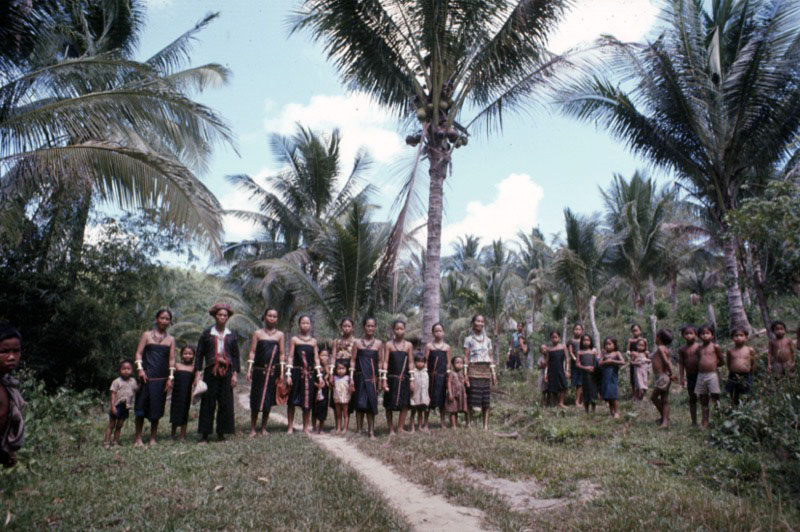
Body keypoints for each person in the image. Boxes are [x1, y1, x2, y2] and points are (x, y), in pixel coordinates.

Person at [194, 303, 240, 443]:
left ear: (228, 317)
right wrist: (197, 373)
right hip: (210, 370)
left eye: (225, 315)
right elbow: (199, 354)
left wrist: (235, 374)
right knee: (208, 401)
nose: (222, 317)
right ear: (215, 316)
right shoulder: (207, 333)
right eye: (220, 315)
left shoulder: (231, 336)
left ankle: (221, 433)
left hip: (226, 371)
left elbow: (236, 356)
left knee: (225, 401)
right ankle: (205, 434)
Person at [133, 309, 175, 447]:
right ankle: (138, 438)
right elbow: (138, 354)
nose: (164, 321)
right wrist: (140, 370)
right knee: (140, 408)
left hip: (161, 379)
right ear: (157, 319)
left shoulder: (171, 339)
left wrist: (170, 378)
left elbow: (172, 360)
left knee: (156, 409)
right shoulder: (146, 335)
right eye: (162, 318)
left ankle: (152, 438)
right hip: (145, 377)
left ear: (170, 322)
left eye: (167, 319)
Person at [245, 308, 284, 437]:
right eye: (269, 315)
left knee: (268, 399)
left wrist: (282, 373)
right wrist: (249, 370)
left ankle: (263, 428)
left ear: (277, 319)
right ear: (265, 317)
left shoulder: (280, 335)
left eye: (274, 316)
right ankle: (252, 428)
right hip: (258, 371)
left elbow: (282, 354)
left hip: (272, 372)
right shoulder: (257, 333)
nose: (272, 318)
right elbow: (252, 352)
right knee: (256, 398)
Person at [463, 314, 497, 430]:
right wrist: (465, 374)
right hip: (473, 370)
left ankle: (485, 426)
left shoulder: (488, 340)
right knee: (471, 398)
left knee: (485, 399)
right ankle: (469, 423)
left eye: (482, 321)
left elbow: (491, 357)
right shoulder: (468, 339)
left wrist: (493, 373)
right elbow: (466, 357)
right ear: (473, 323)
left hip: (486, 371)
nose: (480, 323)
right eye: (478, 321)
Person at [287, 315, 319, 435]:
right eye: (303, 323)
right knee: (292, 401)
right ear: (299, 325)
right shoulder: (294, 340)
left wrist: (319, 376)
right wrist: (288, 374)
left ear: (310, 325)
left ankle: (305, 428)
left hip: (309, 375)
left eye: (307, 323)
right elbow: (290, 357)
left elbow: (316, 359)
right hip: (296, 374)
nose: (305, 325)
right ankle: (290, 426)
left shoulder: (313, 342)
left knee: (307, 402)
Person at [351, 317, 381, 439]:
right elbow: (352, 361)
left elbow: (380, 362)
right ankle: (359, 431)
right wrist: (351, 379)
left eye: (372, 326)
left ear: (375, 327)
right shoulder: (357, 343)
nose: (370, 328)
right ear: (364, 327)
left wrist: (380, 380)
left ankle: (371, 432)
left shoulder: (378, 343)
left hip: (372, 379)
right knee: (359, 404)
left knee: (371, 404)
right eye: (368, 326)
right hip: (359, 377)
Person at [382, 320, 412, 435]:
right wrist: (384, 379)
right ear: (393, 330)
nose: (399, 331)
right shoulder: (389, 344)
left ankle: (400, 427)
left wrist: (412, 380)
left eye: (401, 329)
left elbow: (410, 363)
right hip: (391, 378)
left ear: (405, 330)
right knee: (389, 404)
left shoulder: (408, 345)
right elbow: (385, 362)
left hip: (404, 378)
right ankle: (391, 429)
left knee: (404, 403)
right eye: (397, 329)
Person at [0, 324, 24, 468]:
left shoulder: (6, 384)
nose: (11, 357)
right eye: (4, 351)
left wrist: (9, 452)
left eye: (16, 351)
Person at [695, 324, 724, 429]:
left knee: (715, 397)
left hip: (712, 375)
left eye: (707, 333)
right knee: (703, 398)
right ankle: (705, 421)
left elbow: (722, 360)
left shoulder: (715, 347)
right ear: (699, 336)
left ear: (712, 335)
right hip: (701, 375)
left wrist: (714, 366)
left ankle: (719, 419)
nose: (705, 335)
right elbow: (699, 360)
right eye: (702, 334)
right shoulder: (699, 348)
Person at [105, 359, 138, 448]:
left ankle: (115, 442)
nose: (126, 370)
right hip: (117, 405)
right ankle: (107, 442)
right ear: (120, 371)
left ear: (132, 370)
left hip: (126, 406)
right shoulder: (116, 381)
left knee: (119, 425)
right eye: (124, 369)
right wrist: (113, 406)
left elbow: (137, 389)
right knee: (111, 425)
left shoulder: (133, 381)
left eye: (129, 369)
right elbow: (113, 394)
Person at [423, 323, 450, 429]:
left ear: (443, 332)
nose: (438, 333)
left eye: (440, 331)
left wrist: (447, 373)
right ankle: (425, 423)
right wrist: (425, 374)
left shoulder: (447, 347)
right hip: (431, 377)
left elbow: (448, 362)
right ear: (433, 333)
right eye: (436, 331)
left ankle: (442, 422)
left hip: (442, 377)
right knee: (428, 399)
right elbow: (425, 360)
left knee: (442, 400)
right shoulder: (429, 346)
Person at [332, 317, 357, 431]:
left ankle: (346, 427)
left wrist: (352, 377)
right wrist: (331, 374)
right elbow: (333, 357)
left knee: (348, 399)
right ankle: (337, 426)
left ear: (352, 328)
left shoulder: (356, 342)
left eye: (349, 326)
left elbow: (354, 359)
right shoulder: (336, 342)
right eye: (344, 326)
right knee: (336, 399)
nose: (347, 328)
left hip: (350, 371)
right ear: (341, 327)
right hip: (337, 370)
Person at [650, 329, 676, 429]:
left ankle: (665, 419)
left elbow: (667, 362)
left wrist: (672, 374)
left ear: (659, 338)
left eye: (656, 336)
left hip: (663, 376)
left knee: (653, 397)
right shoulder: (663, 348)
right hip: (664, 376)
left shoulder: (661, 348)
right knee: (664, 399)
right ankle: (664, 420)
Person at [170, 346, 195, 441]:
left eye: (190, 353)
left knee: (185, 413)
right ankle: (173, 434)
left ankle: (182, 435)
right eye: (185, 353)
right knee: (175, 413)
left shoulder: (193, 368)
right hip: (176, 394)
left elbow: (197, 380)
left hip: (186, 395)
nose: (187, 355)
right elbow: (171, 377)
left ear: (193, 356)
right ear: (181, 355)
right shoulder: (177, 366)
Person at [726, 328, 755, 407]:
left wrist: (750, 370)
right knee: (733, 392)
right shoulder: (730, 351)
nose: (738, 337)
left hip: (746, 374)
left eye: (741, 335)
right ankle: (734, 408)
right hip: (733, 374)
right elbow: (728, 363)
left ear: (746, 337)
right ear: (732, 338)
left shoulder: (749, 350)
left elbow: (753, 362)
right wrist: (732, 370)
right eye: (736, 335)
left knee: (746, 392)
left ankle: (747, 408)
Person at [678, 325, 700, 426]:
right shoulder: (682, 349)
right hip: (690, 376)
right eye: (686, 334)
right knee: (692, 398)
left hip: (701, 375)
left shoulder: (699, 347)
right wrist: (682, 377)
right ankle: (694, 421)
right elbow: (681, 363)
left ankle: (705, 420)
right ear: (683, 336)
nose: (689, 336)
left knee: (704, 397)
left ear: (695, 335)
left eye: (691, 333)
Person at [599, 337, 624, 418]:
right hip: (605, 377)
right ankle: (611, 411)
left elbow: (622, 362)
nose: (608, 346)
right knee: (608, 395)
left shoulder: (617, 353)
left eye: (610, 344)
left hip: (613, 376)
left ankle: (617, 412)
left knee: (613, 394)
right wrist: (603, 358)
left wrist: (612, 361)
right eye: (606, 344)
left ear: (614, 345)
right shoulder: (604, 354)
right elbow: (599, 363)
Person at [542, 330, 568, 408]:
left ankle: (561, 402)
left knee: (563, 385)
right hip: (552, 371)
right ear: (550, 339)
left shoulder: (563, 347)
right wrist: (546, 374)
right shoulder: (549, 350)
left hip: (560, 370)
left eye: (556, 337)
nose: (554, 339)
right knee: (553, 387)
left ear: (559, 338)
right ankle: (556, 403)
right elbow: (547, 362)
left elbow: (567, 359)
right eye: (553, 337)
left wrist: (567, 370)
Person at [575, 334, 598, 414]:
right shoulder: (579, 352)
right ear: (581, 342)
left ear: (591, 341)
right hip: (584, 375)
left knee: (593, 391)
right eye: (584, 340)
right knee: (586, 391)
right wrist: (586, 368)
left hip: (593, 375)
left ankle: (593, 409)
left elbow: (596, 362)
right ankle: (586, 409)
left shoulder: (593, 352)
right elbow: (577, 364)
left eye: (588, 340)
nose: (586, 342)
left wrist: (594, 368)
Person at [626, 324, 648, 399]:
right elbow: (628, 350)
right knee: (633, 377)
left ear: (640, 331)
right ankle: (634, 394)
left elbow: (646, 350)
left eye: (636, 330)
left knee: (643, 377)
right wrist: (629, 354)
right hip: (634, 360)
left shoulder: (644, 340)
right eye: (633, 331)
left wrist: (645, 358)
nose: (635, 332)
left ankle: (643, 394)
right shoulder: (631, 340)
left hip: (642, 362)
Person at [409, 352, 430, 433]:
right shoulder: (413, 373)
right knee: (413, 412)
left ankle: (420, 427)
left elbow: (427, 385)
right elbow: (411, 385)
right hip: (415, 396)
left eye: (422, 361)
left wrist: (428, 395)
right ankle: (412, 428)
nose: (420, 363)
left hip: (423, 396)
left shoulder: (426, 373)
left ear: (424, 363)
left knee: (420, 412)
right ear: (415, 362)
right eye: (418, 361)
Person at [312, 346, 331, 435]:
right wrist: (317, 385)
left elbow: (330, 379)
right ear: (318, 356)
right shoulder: (316, 367)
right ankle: (314, 427)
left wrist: (326, 368)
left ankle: (321, 428)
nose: (324, 357)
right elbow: (312, 380)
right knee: (315, 408)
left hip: (325, 391)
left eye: (326, 356)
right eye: (322, 355)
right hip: (316, 390)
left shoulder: (329, 368)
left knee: (323, 409)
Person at [445, 356, 467, 429]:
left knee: (456, 409)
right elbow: (448, 383)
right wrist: (450, 393)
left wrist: (466, 382)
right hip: (453, 394)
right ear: (453, 364)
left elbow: (463, 382)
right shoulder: (451, 373)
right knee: (453, 410)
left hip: (460, 394)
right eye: (457, 363)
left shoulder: (462, 373)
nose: (459, 364)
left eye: (461, 363)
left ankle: (455, 424)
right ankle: (453, 425)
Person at [567, 323, 584, 406]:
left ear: (582, 331)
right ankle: (577, 400)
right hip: (575, 364)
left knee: (582, 382)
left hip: (583, 363)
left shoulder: (584, 340)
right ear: (573, 330)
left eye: (579, 329)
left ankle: (580, 400)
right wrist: (574, 358)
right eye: (576, 329)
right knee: (577, 382)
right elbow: (570, 352)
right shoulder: (571, 341)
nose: (577, 331)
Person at [332, 361, 351, 434]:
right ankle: (338, 428)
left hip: (345, 399)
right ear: (336, 370)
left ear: (346, 369)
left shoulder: (347, 378)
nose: (340, 371)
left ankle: (345, 428)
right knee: (338, 414)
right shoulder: (335, 377)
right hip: (337, 398)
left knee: (345, 414)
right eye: (339, 369)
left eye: (343, 368)